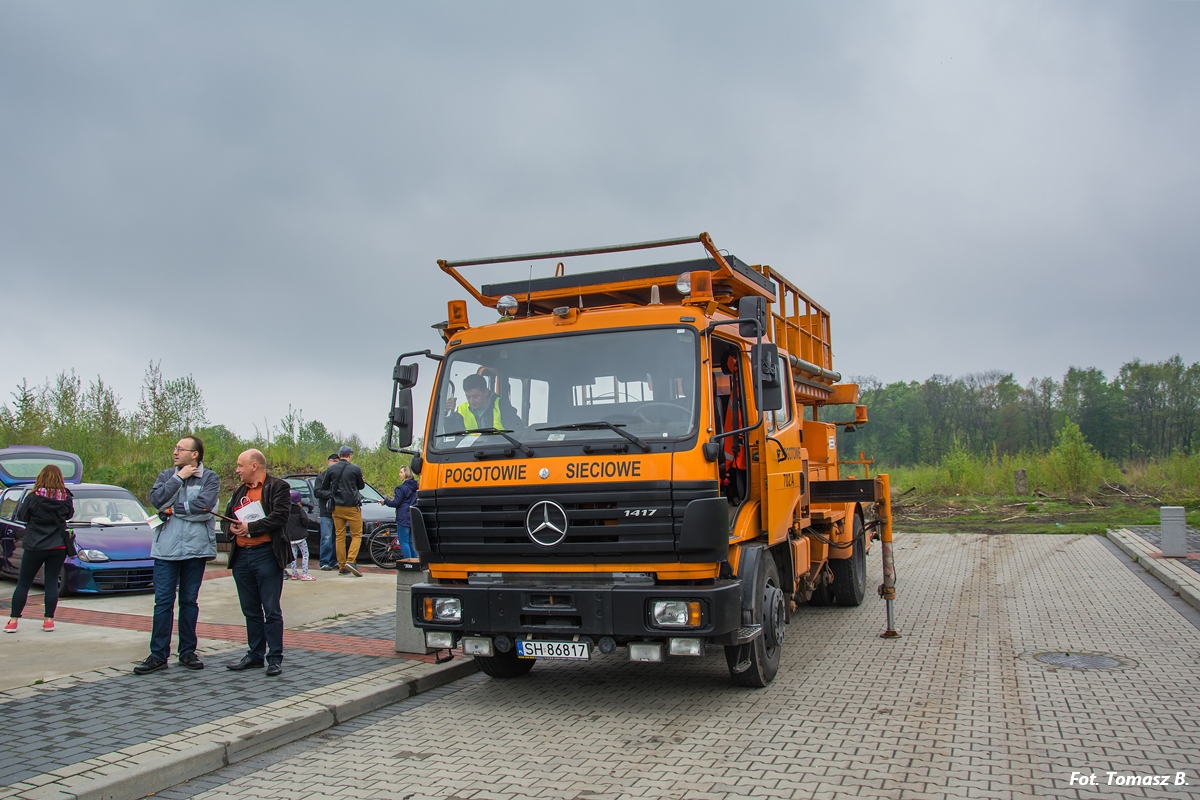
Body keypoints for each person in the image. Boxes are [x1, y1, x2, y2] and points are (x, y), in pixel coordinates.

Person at [134, 435, 221, 674]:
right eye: (175, 448)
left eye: (180, 449)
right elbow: (156, 500)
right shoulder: (166, 476)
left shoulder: (210, 478)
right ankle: (158, 655)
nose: (175, 452)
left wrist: (171, 509)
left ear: (194, 454)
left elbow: (204, 508)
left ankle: (187, 652)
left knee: (188, 602)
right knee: (162, 602)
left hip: (195, 550)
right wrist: (177, 479)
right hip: (166, 549)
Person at [221, 449, 292, 676]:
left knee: (271, 609)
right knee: (250, 609)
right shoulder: (239, 491)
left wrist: (251, 527)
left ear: (254, 466)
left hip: (266, 555)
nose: (237, 470)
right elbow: (226, 517)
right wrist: (230, 528)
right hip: (242, 556)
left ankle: (275, 657)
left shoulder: (278, 487)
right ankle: (254, 654)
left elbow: (280, 516)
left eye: (240, 466)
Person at [5, 465, 74, 633]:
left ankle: (13, 621)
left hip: (35, 545)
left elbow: (22, 516)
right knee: (51, 582)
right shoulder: (66, 497)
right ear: (60, 478)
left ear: (41, 477)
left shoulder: (33, 498)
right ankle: (48, 620)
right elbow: (69, 515)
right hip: (58, 545)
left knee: (24, 583)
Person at [318, 445, 365, 577]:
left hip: (337, 507)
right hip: (352, 506)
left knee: (340, 536)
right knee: (356, 534)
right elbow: (361, 486)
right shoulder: (355, 469)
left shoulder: (331, 469)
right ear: (350, 456)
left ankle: (342, 566)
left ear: (339, 456)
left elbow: (325, 486)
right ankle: (351, 560)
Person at [446, 373, 521, 432]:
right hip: (469, 451)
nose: (471, 401)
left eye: (475, 396)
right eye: (468, 397)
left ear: (486, 392)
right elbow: (453, 438)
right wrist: (450, 416)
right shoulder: (461, 410)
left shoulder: (502, 406)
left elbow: (516, 432)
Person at [382, 465, 419, 561]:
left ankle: (408, 561)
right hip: (413, 515)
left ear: (406, 474)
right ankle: (414, 561)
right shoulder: (417, 486)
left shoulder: (401, 488)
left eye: (401, 472)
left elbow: (396, 503)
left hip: (403, 517)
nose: (399, 474)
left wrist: (385, 501)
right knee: (411, 541)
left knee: (404, 541)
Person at [313, 453, 339, 570]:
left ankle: (334, 560)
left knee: (336, 537)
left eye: (337, 461)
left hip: (338, 511)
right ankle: (324, 561)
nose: (335, 463)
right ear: (328, 462)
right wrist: (330, 495)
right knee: (326, 537)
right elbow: (317, 492)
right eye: (333, 461)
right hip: (326, 512)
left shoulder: (340, 477)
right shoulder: (321, 477)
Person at [285, 490, 316, 581]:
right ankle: (305, 573)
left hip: (290, 537)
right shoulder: (299, 510)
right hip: (300, 536)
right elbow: (305, 520)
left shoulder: (286, 510)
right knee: (305, 554)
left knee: (293, 555)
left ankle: (294, 573)